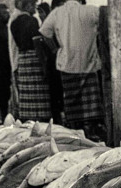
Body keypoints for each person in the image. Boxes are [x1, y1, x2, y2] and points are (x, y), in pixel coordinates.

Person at [40, 0, 105, 138]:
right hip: (89, 62)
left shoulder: (57, 12)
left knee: (72, 100)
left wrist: (54, 49)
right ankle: (91, 130)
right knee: (91, 101)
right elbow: (104, 23)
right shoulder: (92, 10)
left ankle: (76, 130)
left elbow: (45, 32)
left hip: (67, 62)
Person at [10, 0, 50, 122]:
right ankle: (41, 120)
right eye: (33, 5)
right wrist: (44, 64)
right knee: (39, 93)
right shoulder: (32, 21)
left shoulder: (14, 23)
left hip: (22, 59)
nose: (35, 8)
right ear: (28, 5)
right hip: (34, 58)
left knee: (27, 95)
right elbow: (36, 42)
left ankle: (29, 121)